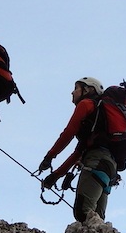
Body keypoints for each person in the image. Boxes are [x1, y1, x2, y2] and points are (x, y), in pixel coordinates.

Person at [37, 77, 117, 223]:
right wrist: (55, 176)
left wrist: (49, 156)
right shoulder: (99, 123)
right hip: (110, 168)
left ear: (87, 89)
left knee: (84, 213)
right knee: (97, 219)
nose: (72, 92)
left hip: (95, 162)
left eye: (76, 88)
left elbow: (68, 133)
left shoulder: (86, 104)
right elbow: (79, 152)